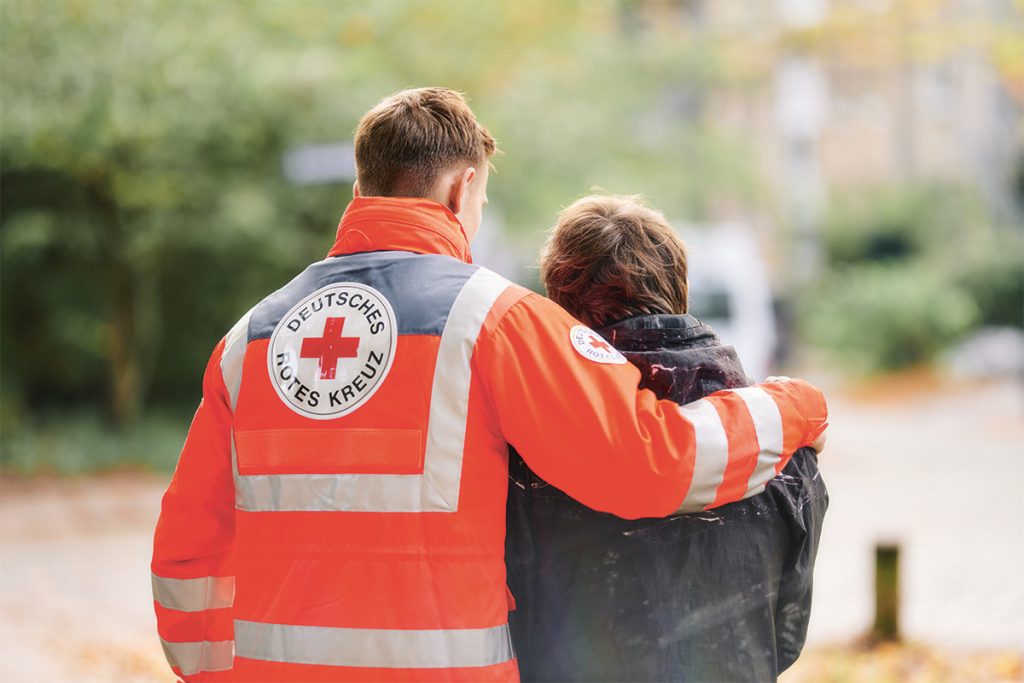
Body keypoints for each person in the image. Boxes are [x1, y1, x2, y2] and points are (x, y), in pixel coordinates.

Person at [150, 88, 828, 682]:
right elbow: (652, 460)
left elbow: (188, 551)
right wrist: (795, 404)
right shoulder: (492, 320)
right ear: (460, 189)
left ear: (362, 189)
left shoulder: (251, 339)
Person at [506, 194, 829, 682]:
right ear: (680, 287)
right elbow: (785, 633)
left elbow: (512, 622)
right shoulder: (784, 444)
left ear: (560, 304)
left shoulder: (529, 449)